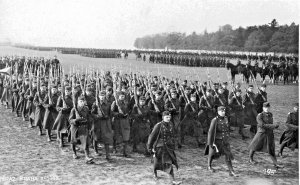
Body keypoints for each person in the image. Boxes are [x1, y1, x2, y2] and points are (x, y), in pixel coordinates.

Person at [147, 111, 181, 185]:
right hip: (160, 146)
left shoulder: (171, 124)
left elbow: (172, 136)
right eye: (167, 117)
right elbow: (152, 137)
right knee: (156, 161)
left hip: (168, 147)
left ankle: (173, 180)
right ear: (163, 117)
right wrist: (150, 147)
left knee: (169, 162)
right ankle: (154, 172)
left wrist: (173, 144)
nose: (168, 118)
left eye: (169, 117)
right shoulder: (158, 125)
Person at [205, 106, 238, 177]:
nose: (223, 113)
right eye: (221, 111)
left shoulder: (226, 118)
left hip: (225, 141)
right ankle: (209, 166)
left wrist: (228, 137)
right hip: (217, 141)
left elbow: (227, 129)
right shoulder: (215, 120)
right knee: (212, 154)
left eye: (224, 111)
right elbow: (210, 132)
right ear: (218, 112)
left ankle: (231, 171)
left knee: (228, 154)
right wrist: (210, 143)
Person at [248, 102, 283, 168]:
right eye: (265, 108)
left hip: (269, 134)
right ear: (263, 108)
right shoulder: (260, 115)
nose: (266, 109)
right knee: (254, 146)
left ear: (269, 108)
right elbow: (262, 125)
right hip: (261, 134)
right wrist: (273, 126)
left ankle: (276, 164)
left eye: (268, 108)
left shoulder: (270, 114)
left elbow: (269, 123)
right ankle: (250, 159)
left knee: (271, 149)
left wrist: (274, 126)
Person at [69, 95, 93, 163]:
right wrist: (76, 120)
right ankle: (74, 153)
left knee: (86, 142)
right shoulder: (74, 109)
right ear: (77, 102)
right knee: (73, 141)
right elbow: (70, 120)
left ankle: (87, 156)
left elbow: (88, 117)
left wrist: (89, 124)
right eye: (80, 101)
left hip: (83, 127)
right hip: (75, 127)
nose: (82, 103)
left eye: (83, 101)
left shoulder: (86, 109)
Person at [91, 90, 113, 161]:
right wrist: (97, 116)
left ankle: (107, 154)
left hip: (105, 123)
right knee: (96, 137)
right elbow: (92, 113)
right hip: (98, 123)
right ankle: (96, 150)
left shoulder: (108, 104)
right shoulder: (95, 104)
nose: (102, 97)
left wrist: (108, 117)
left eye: (103, 95)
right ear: (99, 96)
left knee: (107, 138)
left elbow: (110, 113)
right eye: (101, 96)